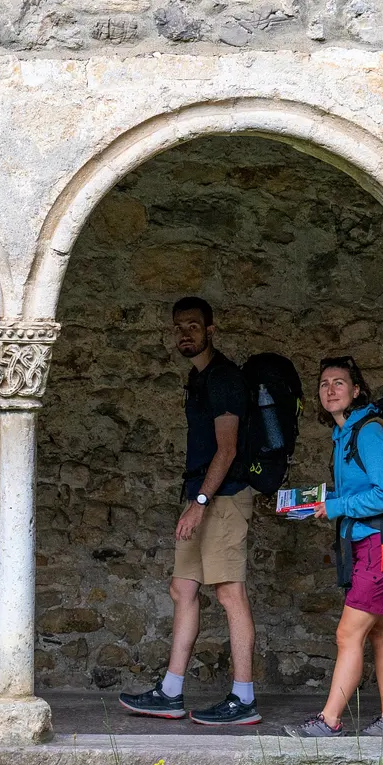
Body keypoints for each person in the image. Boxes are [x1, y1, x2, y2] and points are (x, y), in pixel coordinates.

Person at [119, 296, 261, 726]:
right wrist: (196, 499)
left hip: (225, 496)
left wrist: (199, 503)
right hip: (201, 495)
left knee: (228, 592)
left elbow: (228, 448)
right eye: (179, 326)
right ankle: (170, 691)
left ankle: (244, 698)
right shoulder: (197, 378)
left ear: (210, 331)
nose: (186, 333)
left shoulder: (223, 379)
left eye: (194, 326)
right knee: (183, 588)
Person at [284, 356, 383, 738]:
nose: (330, 389)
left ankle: (329, 721)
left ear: (356, 391)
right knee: (382, 632)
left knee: (347, 634)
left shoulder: (369, 433)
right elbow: (358, 492)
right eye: (324, 383)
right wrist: (316, 503)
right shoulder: (344, 436)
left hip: (381, 543)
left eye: (339, 382)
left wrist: (338, 506)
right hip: (371, 542)